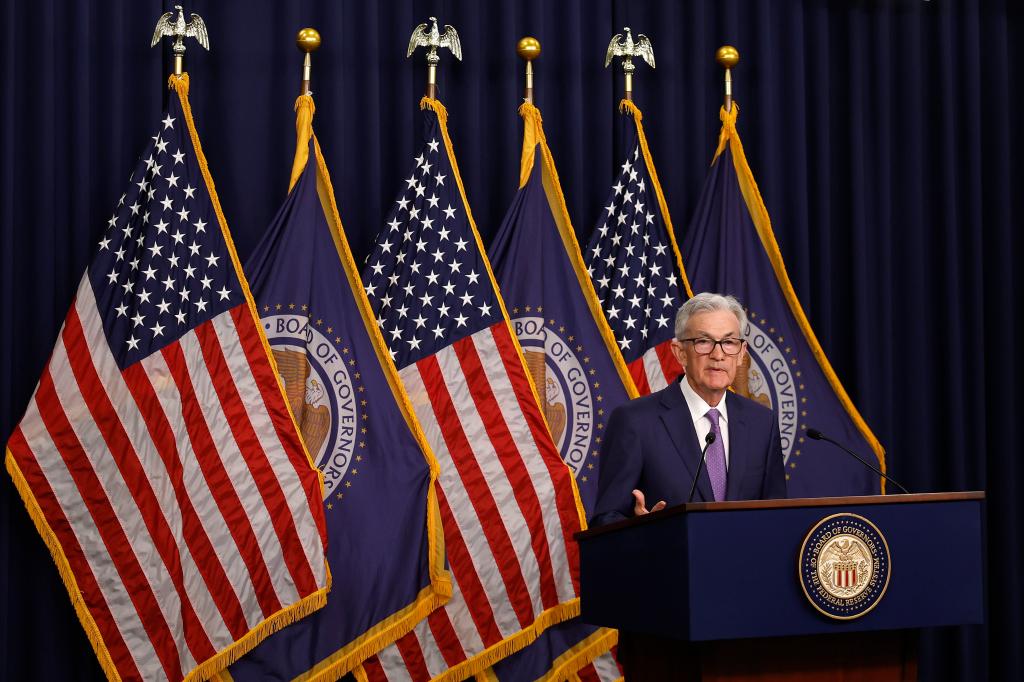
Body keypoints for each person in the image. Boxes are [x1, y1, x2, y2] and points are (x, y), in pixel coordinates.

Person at [591, 292, 787, 526]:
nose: (718, 355)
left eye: (728, 342)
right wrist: (638, 530)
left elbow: (778, 516)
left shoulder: (762, 422)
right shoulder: (634, 422)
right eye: (703, 342)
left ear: (741, 353)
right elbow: (604, 520)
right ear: (680, 352)